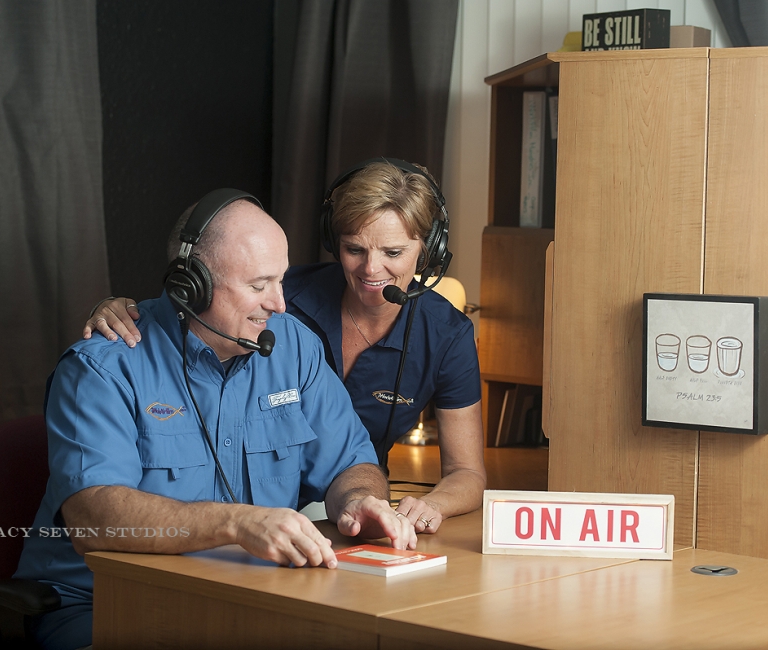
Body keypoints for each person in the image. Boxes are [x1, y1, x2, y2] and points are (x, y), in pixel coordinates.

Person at [17, 191, 415, 650]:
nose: (279, 304)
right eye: (258, 284)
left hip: (248, 601)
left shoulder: (294, 347)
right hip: (107, 606)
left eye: (281, 281)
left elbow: (351, 461)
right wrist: (236, 523)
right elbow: (95, 518)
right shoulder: (103, 368)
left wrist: (360, 500)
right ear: (192, 286)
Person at [87, 160, 486, 536]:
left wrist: (374, 500)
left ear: (428, 251)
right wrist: (129, 310)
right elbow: (193, 303)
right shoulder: (280, 299)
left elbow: (358, 463)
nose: (371, 269)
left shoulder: (439, 333)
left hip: (324, 510)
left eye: (393, 252)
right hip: (251, 527)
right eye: (354, 249)